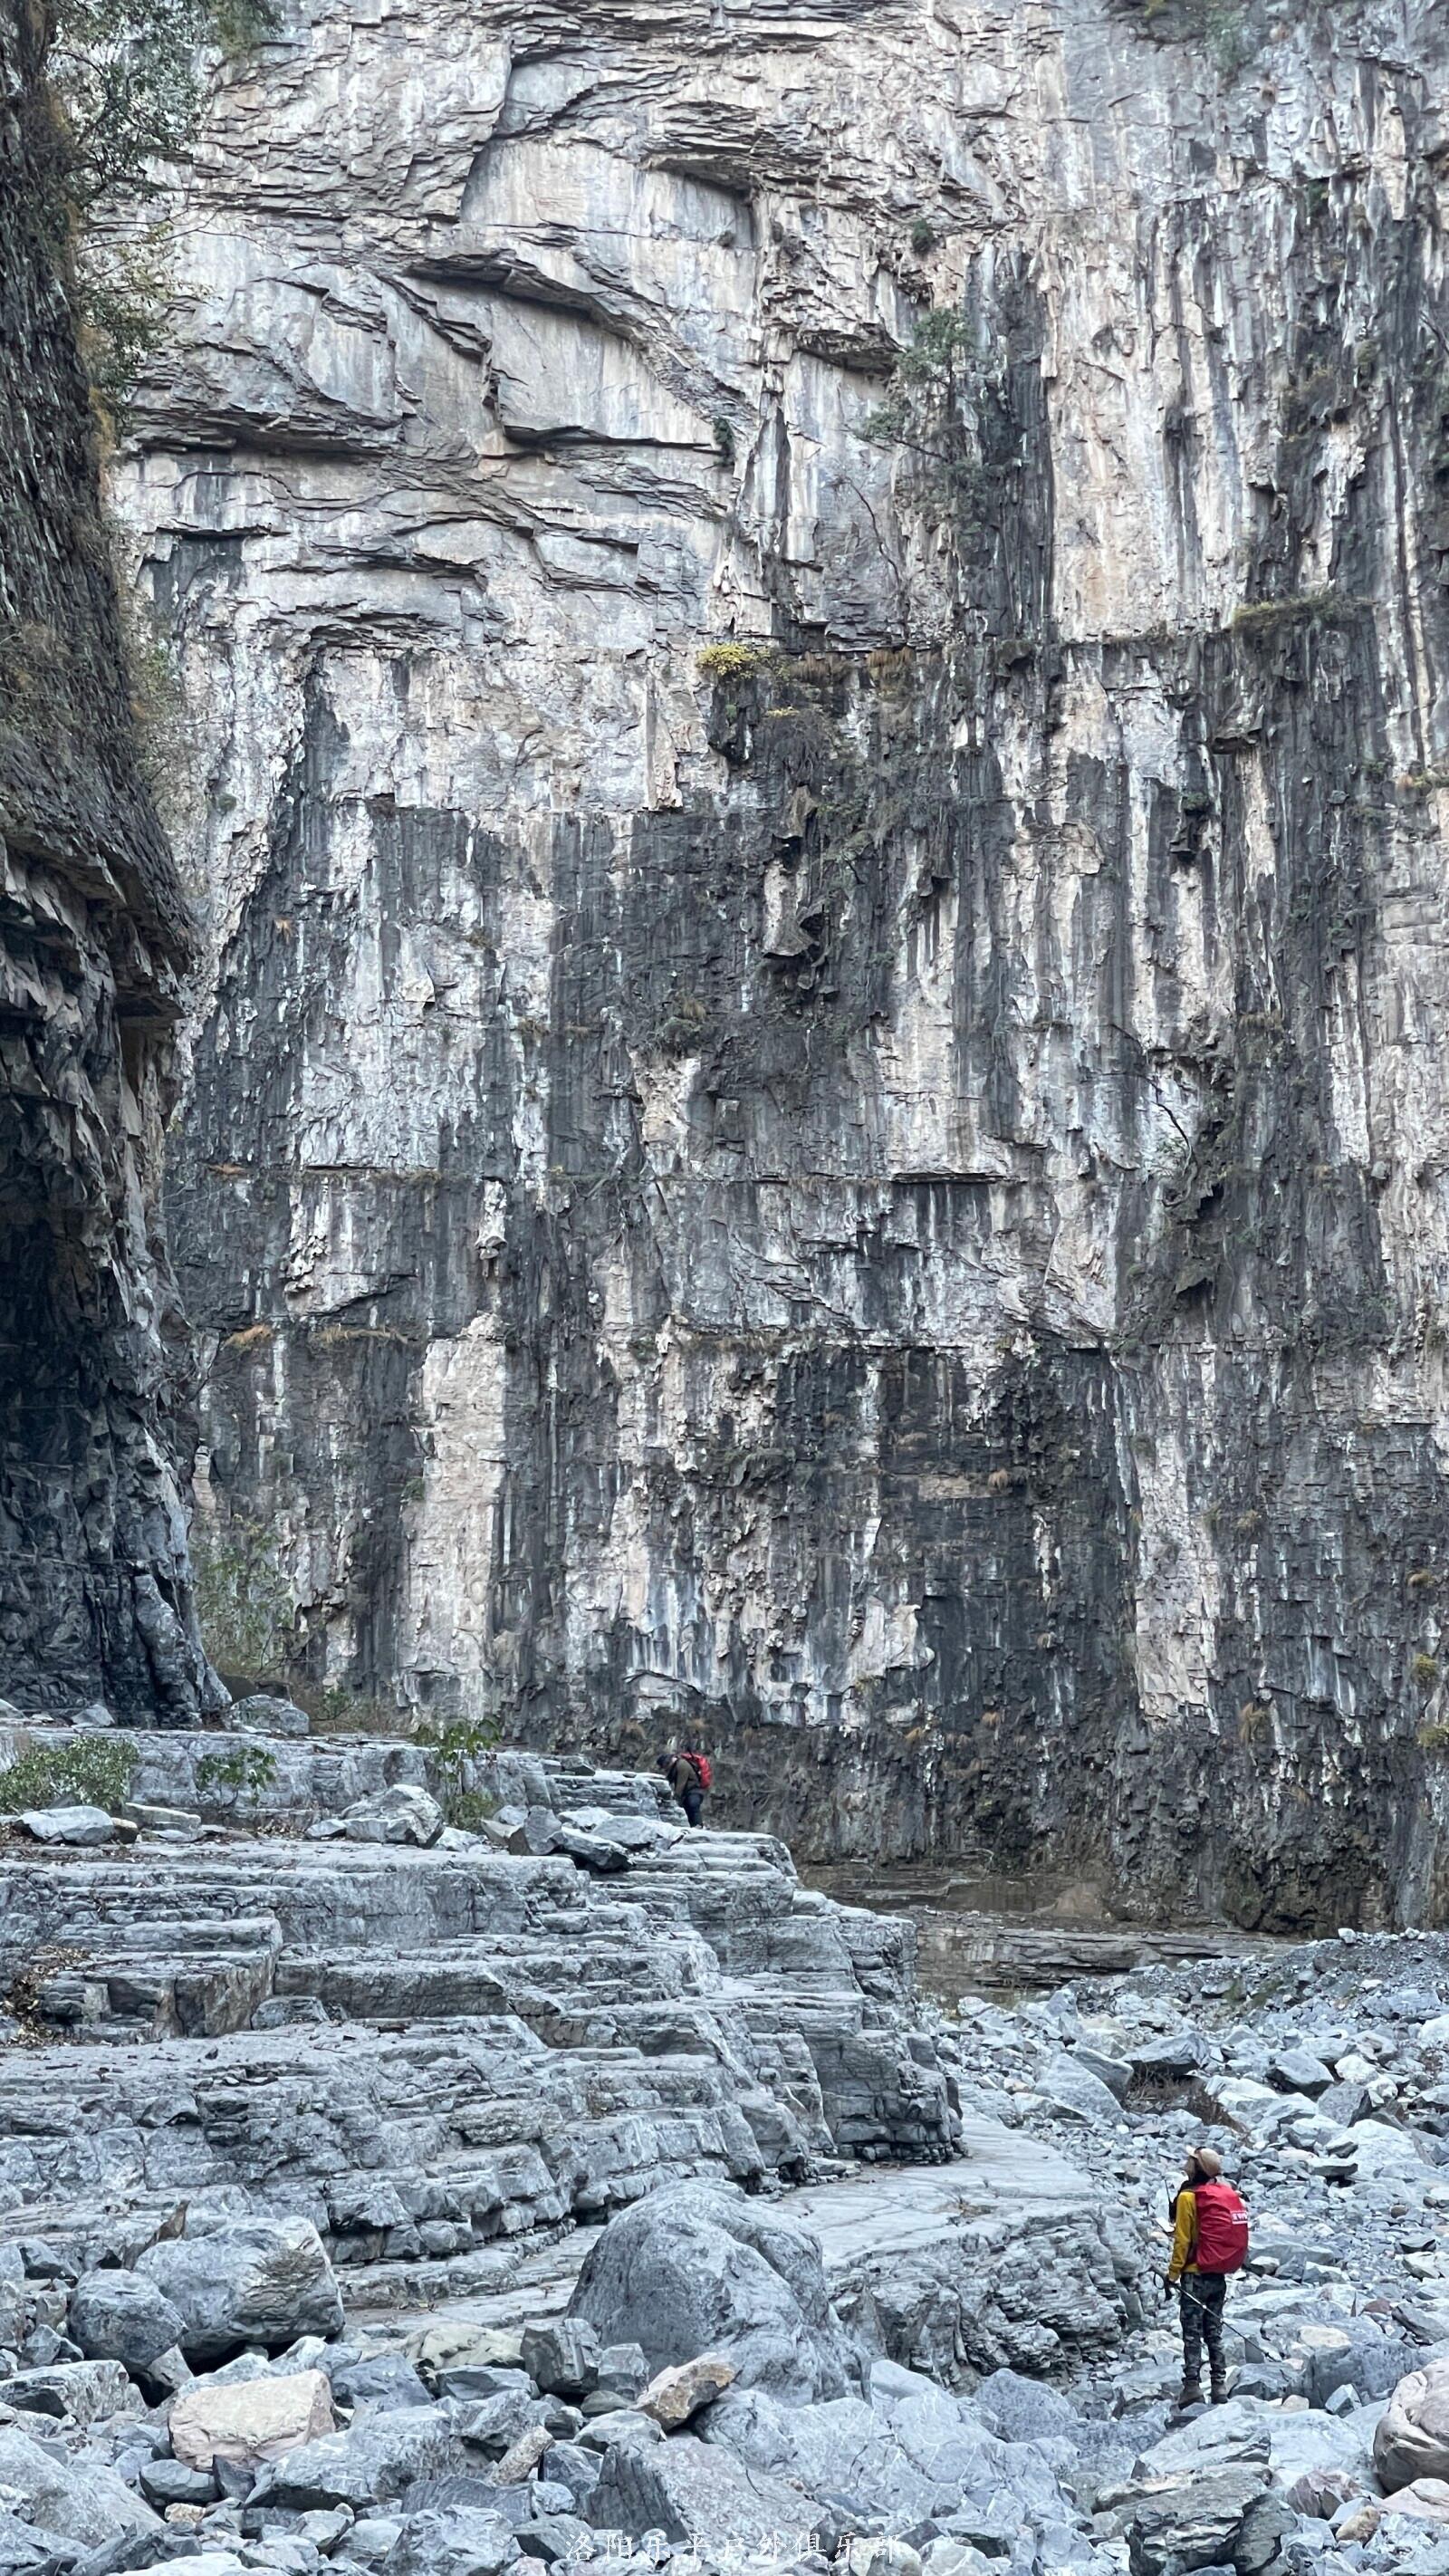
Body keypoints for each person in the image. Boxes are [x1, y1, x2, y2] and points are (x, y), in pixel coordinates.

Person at [1166, 2145, 1248, 2408]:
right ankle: (1218, 2386)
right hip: (1217, 2275)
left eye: (1190, 2159)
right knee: (1214, 2331)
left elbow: (1182, 2241)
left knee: (1192, 2333)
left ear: (1197, 2167)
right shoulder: (1220, 2194)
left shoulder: (1188, 2197)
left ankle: (1192, 2386)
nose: (1186, 2162)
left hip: (1194, 2275)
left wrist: (1172, 2274)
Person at [658, 1743, 707, 1828]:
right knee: (688, 1810)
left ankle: (699, 1825)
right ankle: (693, 1827)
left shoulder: (682, 1765)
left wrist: (676, 1797)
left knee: (693, 1806)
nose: (665, 1769)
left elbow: (681, 1783)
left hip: (694, 1791)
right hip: (687, 1793)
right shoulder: (675, 1767)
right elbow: (669, 1780)